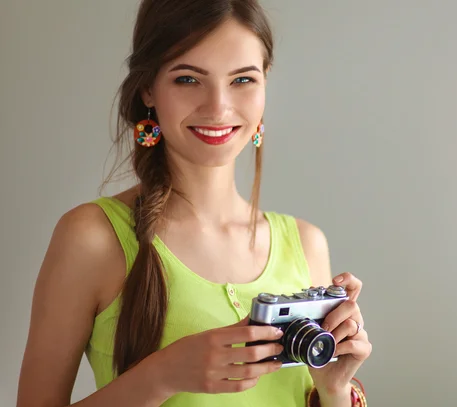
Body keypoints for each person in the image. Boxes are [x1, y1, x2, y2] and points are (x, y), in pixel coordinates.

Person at [16, 1, 371, 406]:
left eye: (242, 80)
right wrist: (163, 374)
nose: (218, 107)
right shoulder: (91, 238)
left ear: (265, 84)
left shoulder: (307, 244)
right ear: (148, 88)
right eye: (188, 79)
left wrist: (335, 388)